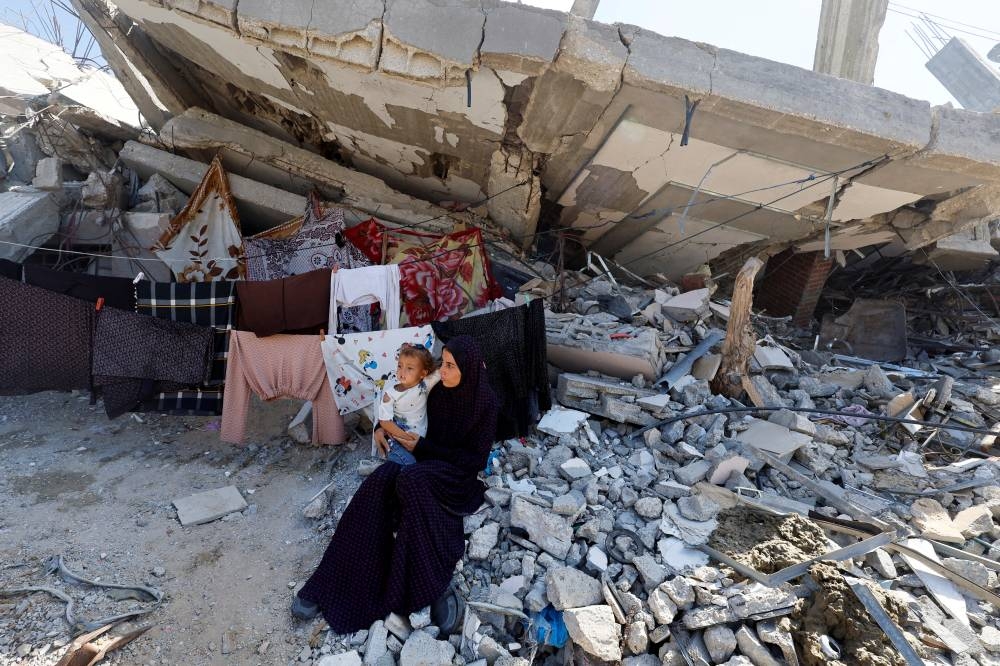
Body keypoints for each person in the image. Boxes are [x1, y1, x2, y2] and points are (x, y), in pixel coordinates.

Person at [292, 336, 499, 634]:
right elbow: (404, 409)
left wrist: (423, 447)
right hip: (422, 459)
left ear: (468, 369)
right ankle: (330, 578)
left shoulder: (485, 403)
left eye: (451, 366)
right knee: (378, 483)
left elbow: (475, 460)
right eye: (443, 362)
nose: (443, 370)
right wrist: (380, 427)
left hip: (456, 475)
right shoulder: (436, 389)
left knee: (412, 483)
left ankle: (435, 585)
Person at [377, 344, 440, 466]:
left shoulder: (424, 384)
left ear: (423, 373)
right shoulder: (390, 395)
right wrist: (405, 438)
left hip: (419, 441)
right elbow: (384, 421)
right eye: (400, 366)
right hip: (398, 439)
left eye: (409, 368)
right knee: (408, 463)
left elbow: (441, 370)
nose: (402, 372)